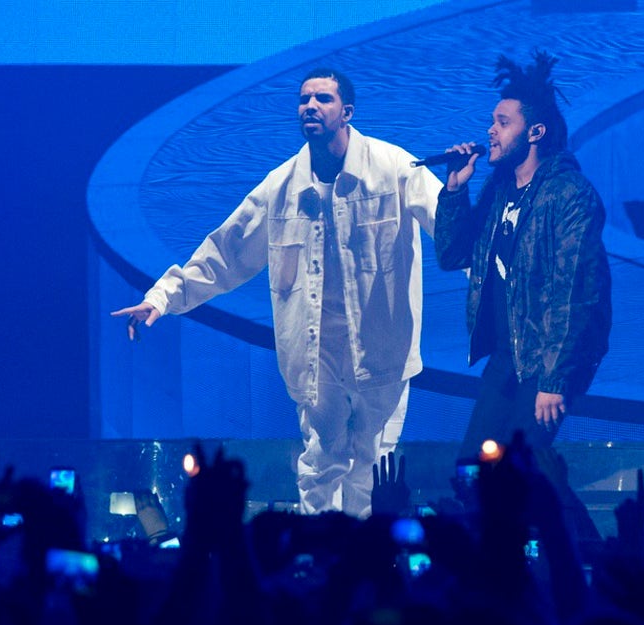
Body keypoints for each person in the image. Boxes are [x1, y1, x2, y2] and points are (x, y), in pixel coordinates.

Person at [112, 68, 442, 518]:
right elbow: (224, 252)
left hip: (381, 350)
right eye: (303, 99)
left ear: (347, 111)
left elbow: (454, 227)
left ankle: (368, 567)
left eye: (322, 98)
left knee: (372, 468)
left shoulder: (395, 170)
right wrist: (162, 298)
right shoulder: (281, 186)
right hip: (316, 355)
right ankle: (317, 563)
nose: (310, 106)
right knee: (320, 466)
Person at [434, 51, 612, 459]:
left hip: (545, 359)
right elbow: (452, 254)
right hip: (506, 356)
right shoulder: (497, 190)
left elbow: (575, 293)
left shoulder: (570, 195)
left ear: (534, 132)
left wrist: (554, 379)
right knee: (473, 470)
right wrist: (456, 189)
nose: (490, 132)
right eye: (492, 121)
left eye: (502, 122)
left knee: (520, 477)